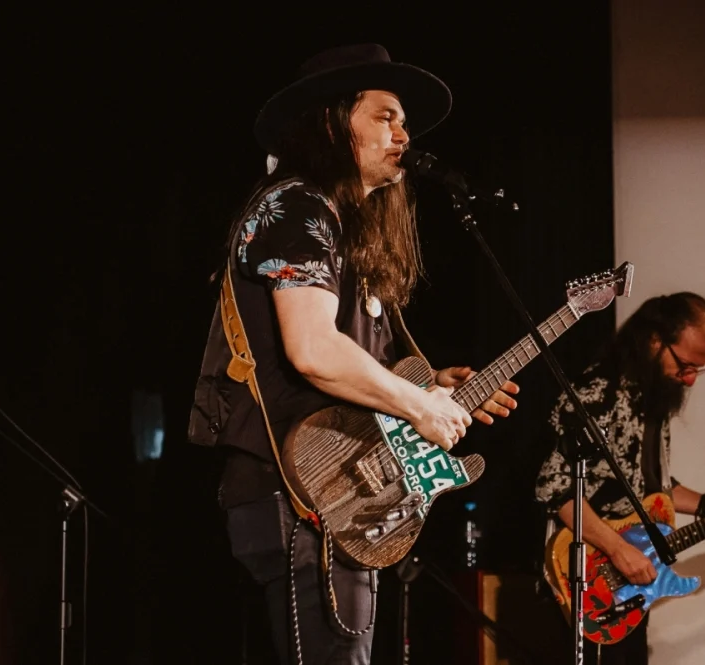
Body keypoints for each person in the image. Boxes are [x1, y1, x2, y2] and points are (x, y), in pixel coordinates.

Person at [186, 43, 519, 665]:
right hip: (297, 488)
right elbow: (312, 350)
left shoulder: (341, 224)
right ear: (334, 121)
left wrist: (432, 383)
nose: (403, 133)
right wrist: (419, 406)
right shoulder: (298, 204)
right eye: (384, 116)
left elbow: (353, 361)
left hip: (335, 492)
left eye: (403, 121)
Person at [534, 292, 705, 665]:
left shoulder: (651, 400)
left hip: (628, 588)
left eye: (699, 369)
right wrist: (617, 549)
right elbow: (553, 486)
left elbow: (650, 489)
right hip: (588, 579)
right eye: (685, 364)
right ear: (654, 341)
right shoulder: (599, 392)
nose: (689, 379)